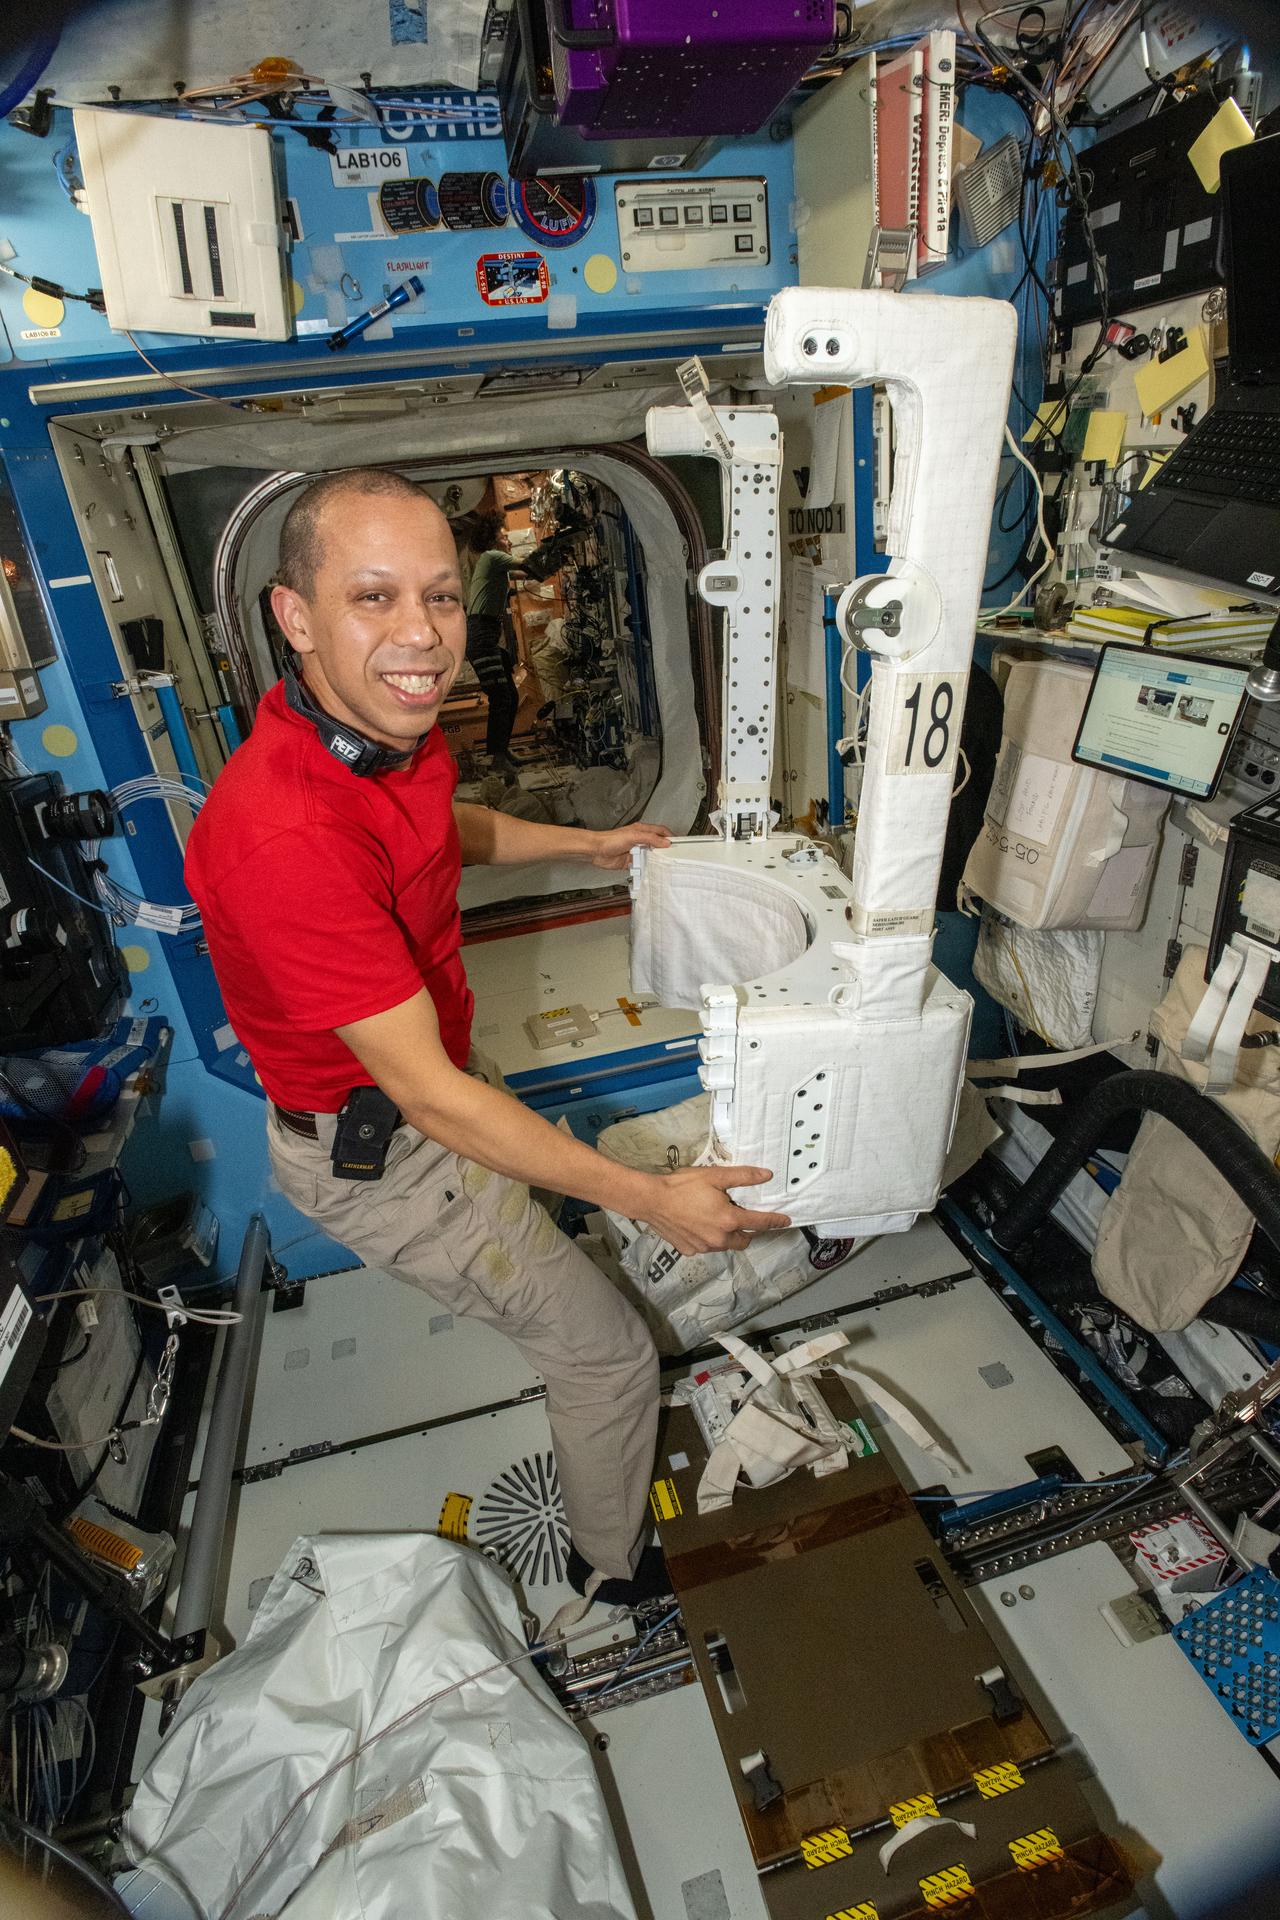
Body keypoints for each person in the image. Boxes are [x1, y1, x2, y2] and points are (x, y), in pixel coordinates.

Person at [184, 468, 789, 1611]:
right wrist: (649, 1199)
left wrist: (590, 844)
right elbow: (434, 1105)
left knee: (532, 1214)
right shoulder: (283, 839)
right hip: (395, 1154)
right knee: (608, 1352)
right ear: (294, 616)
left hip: (435, 1097)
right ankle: (607, 1572)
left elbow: (444, 830)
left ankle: (539, 1251)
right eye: (373, 598)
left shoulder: (372, 736)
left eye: (440, 598)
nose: (421, 637)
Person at [453, 507, 568, 775]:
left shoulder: (493, 563)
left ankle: (501, 752)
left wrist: (559, 558)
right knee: (501, 696)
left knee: (509, 694)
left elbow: (530, 575)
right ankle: (497, 758)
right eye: (504, 535)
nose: (509, 540)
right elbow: (530, 566)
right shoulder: (492, 557)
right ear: (493, 539)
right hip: (480, 634)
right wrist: (557, 546)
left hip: (486, 632)